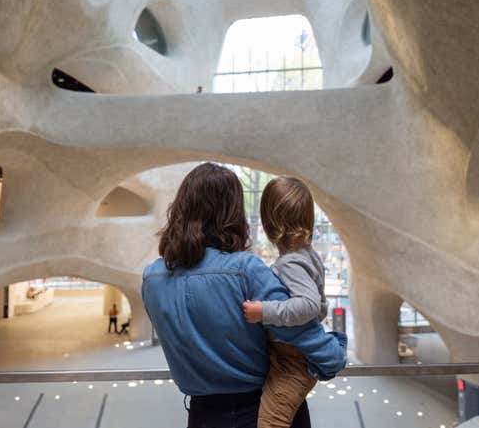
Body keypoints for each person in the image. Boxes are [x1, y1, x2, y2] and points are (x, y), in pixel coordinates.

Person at [142, 163, 347, 428]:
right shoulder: (245, 270)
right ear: (232, 213)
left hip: (203, 415)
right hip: (262, 411)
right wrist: (334, 356)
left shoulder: (152, 279)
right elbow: (300, 333)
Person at [242, 176, 328, 428]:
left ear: (268, 225)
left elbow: (310, 304)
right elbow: (321, 306)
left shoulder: (291, 263)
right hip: (294, 358)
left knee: (271, 421)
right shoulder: (307, 256)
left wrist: (264, 311)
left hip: (293, 361)